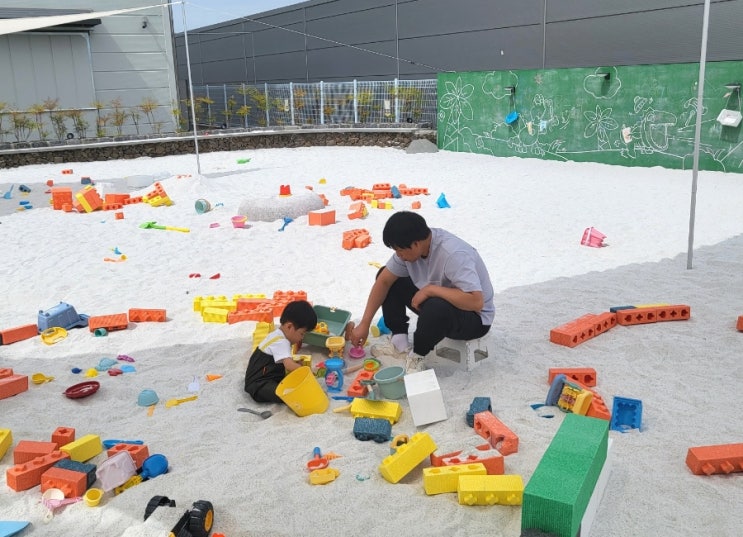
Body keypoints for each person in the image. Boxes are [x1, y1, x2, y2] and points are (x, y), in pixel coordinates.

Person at [350, 211, 494, 372]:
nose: (399, 256)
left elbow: (476, 302)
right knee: (387, 276)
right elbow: (383, 281)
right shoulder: (411, 247)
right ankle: (399, 343)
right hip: (440, 304)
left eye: (400, 251)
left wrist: (431, 290)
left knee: (435, 306)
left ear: (416, 244)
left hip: (475, 319)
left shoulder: (454, 254)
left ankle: (417, 355)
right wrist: (364, 323)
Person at [244, 300, 318, 403]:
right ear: (289, 327)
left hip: (264, 378)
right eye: (302, 333)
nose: (302, 338)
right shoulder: (282, 342)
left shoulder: (277, 334)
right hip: (259, 385)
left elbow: (285, 361)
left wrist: (295, 365)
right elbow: (288, 365)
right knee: (288, 394)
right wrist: (306, 371)